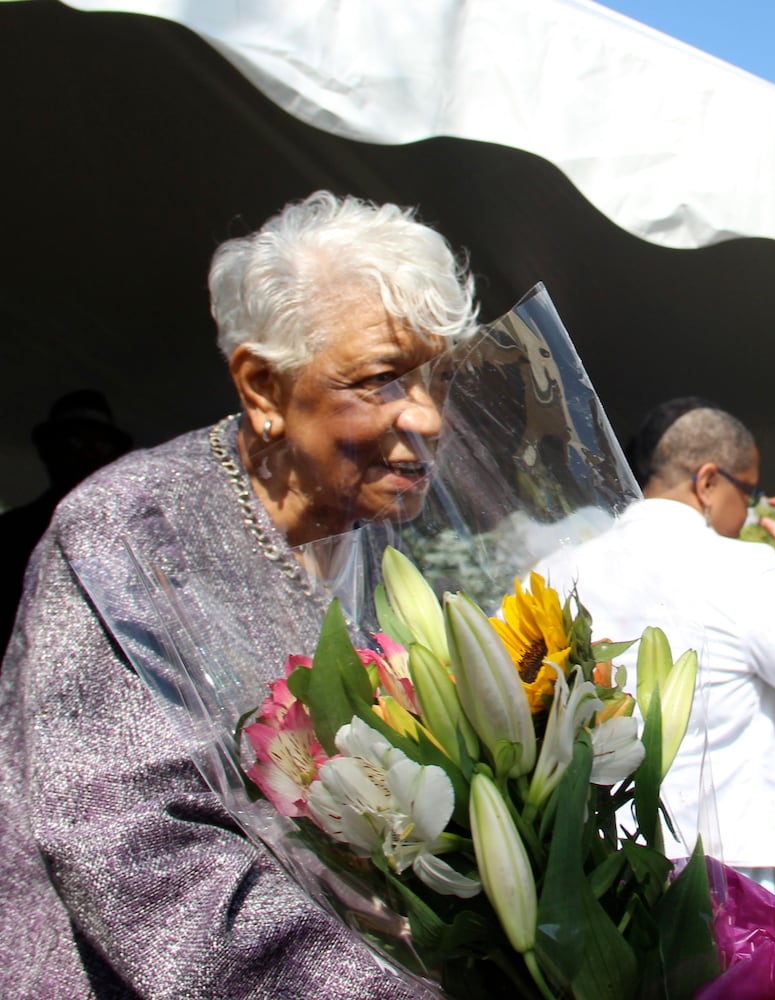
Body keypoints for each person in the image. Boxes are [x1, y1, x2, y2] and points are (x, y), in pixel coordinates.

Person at [0, 190, 477, 997]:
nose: (427, 417)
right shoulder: (127, 533)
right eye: (383, 379)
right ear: (262, 388)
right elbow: (137, 858)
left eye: (438, 375)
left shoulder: (383, 541)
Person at [534, 397, 775, 904]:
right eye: (748, 492)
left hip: (584, 873)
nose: (749, 509)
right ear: (708, 482)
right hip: (724, 883)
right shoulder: (747, 572)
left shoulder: (554, 572)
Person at [0, 389, 132, 640]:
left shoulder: (131, 533)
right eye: (74, 442)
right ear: (48, 452)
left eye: (101, 445)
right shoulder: (11, 533)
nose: (89, 454)